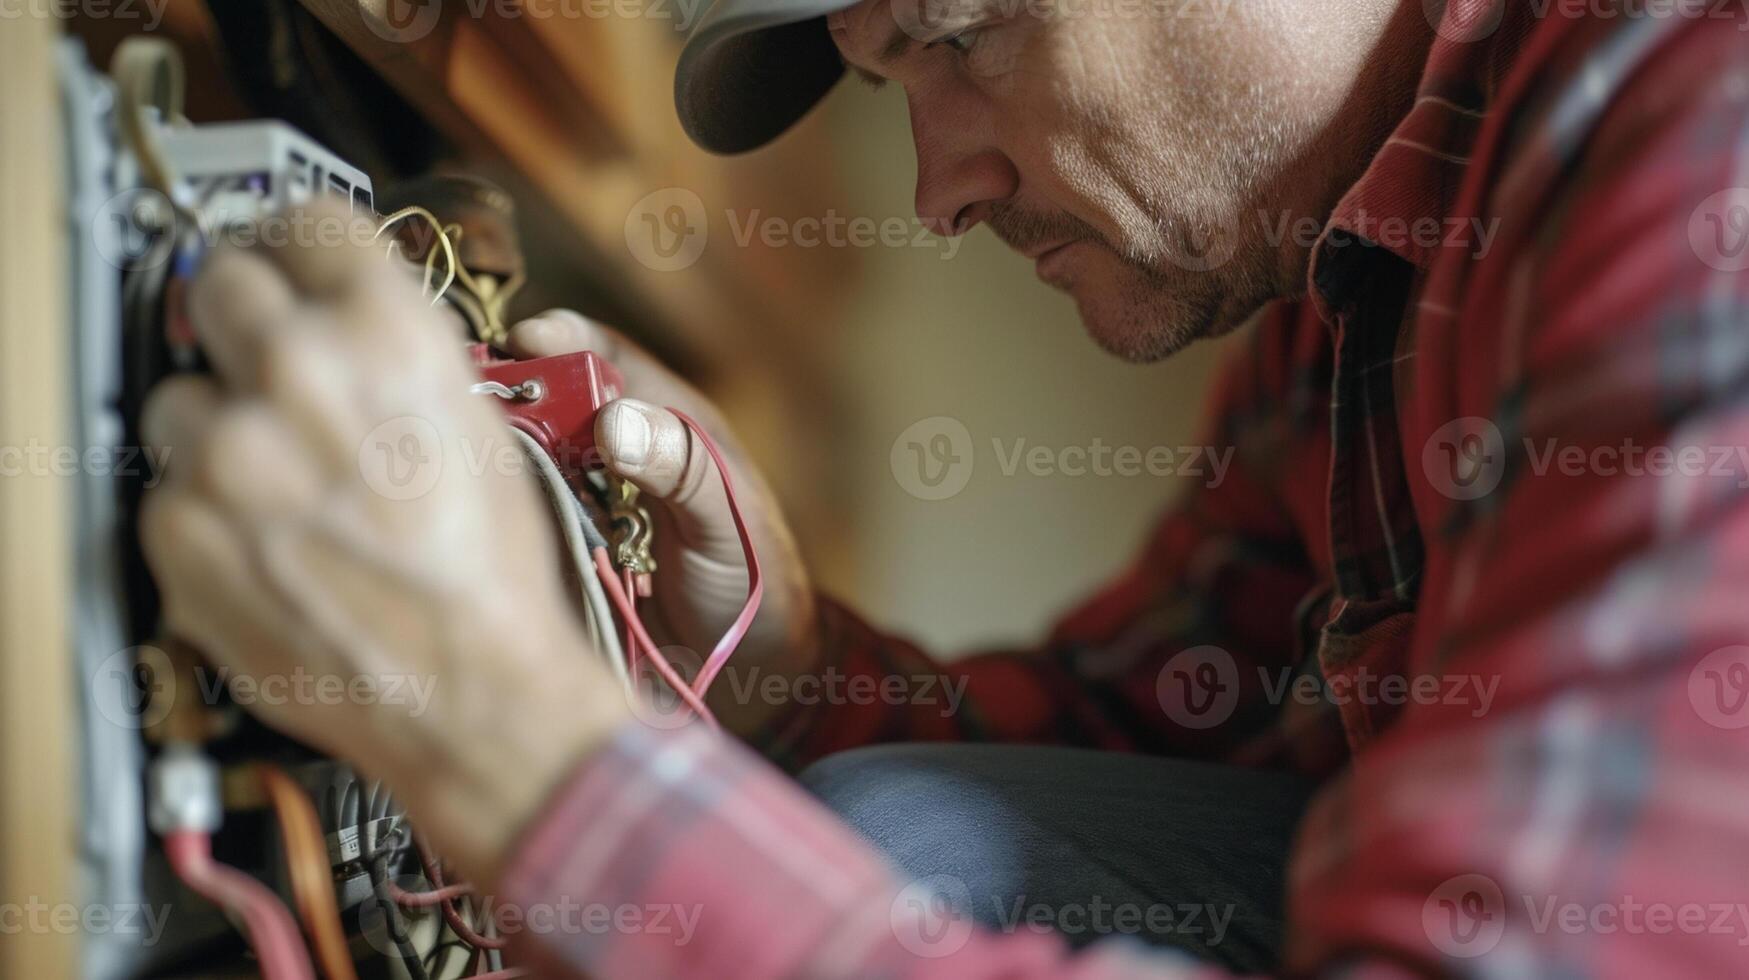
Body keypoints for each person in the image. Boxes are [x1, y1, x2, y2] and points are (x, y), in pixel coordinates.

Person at [140, 0, 1749, 975]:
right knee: (910, 830)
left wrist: (509, 751)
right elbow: (1164, 732)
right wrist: (787, 681)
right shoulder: (1365, 285)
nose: (935, 189)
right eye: (887, 78)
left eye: (962, 38)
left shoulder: (1698, 165)